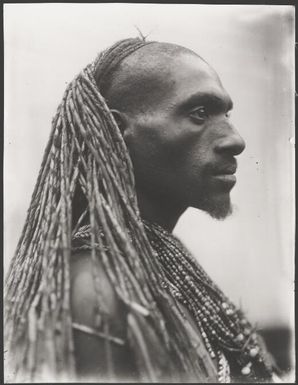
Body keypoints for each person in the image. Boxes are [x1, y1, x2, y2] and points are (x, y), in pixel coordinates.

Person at [4, 37, 281, 383]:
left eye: (225, 113)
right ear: (118, 131)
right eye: (199, 113)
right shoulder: (97, 292)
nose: (235, 139)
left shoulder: (157, 266)